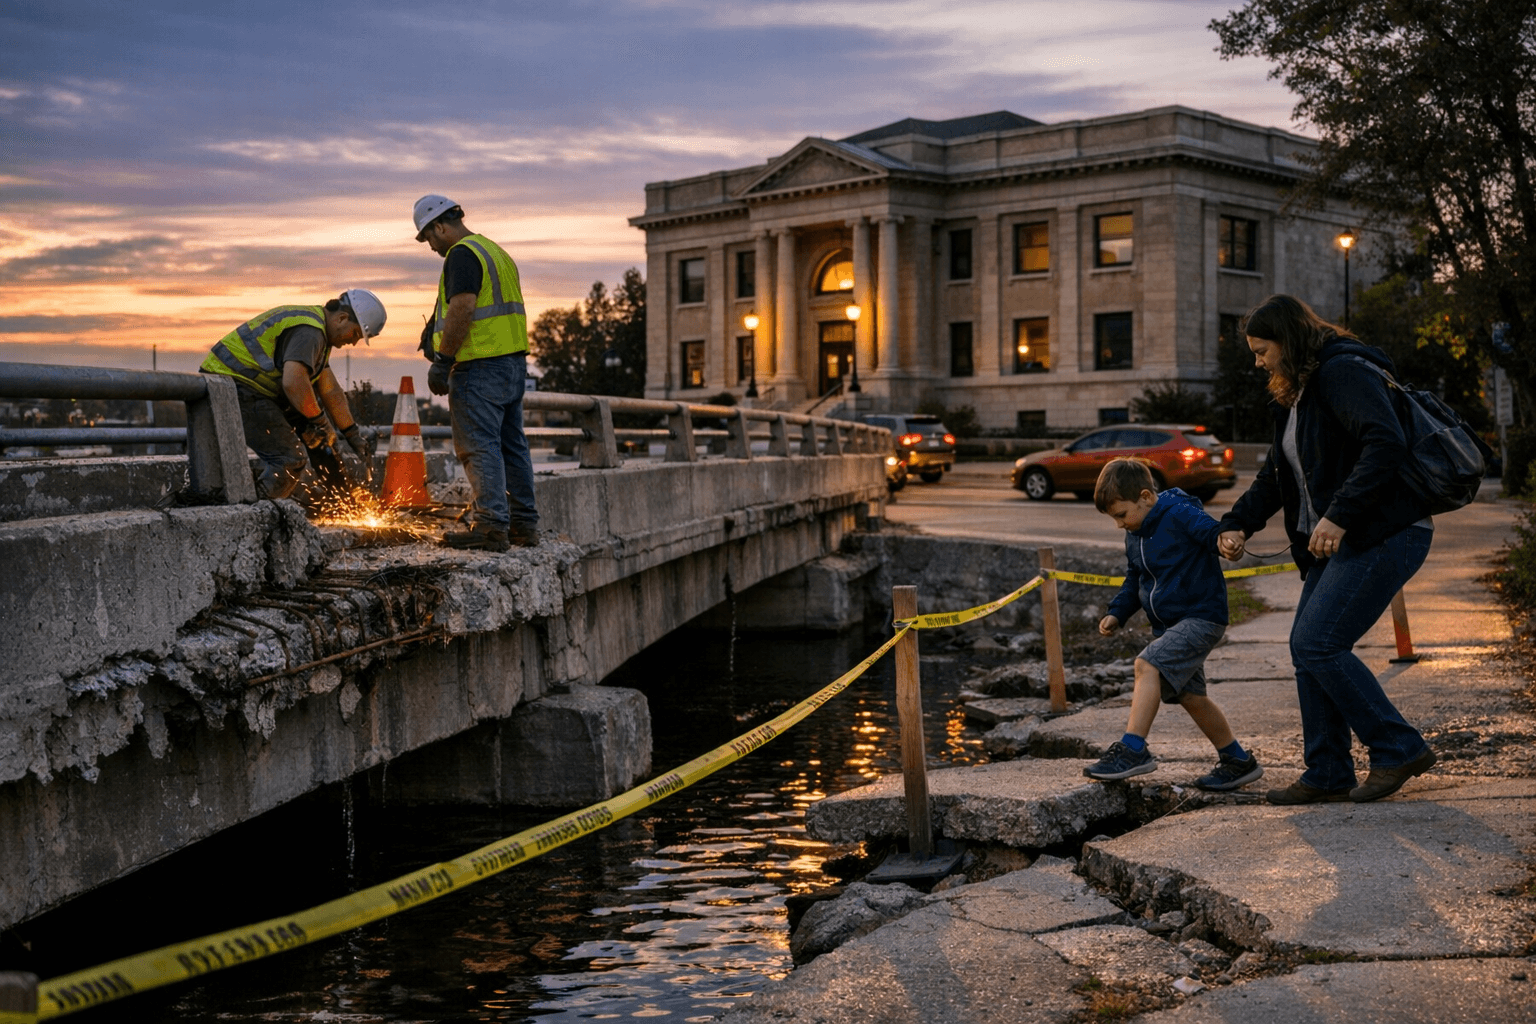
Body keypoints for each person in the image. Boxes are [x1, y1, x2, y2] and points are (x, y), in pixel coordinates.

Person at [1216, 294, 1437, 804]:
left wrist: (1339, 515)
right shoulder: (1295, 393)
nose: (1258, 362)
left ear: (1288, 342)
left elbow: (1386, 443)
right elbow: (1277, 475)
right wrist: (1236, 525)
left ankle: (1397, 747)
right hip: (1333, 543)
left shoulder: (1342, 373)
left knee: (1318, 643)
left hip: (1386, 531)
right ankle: (1329, 771)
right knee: (1306, 649)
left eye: (1261, 350)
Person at [1084, 457, 1265, 792]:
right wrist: (1117, 612)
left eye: (1122, 515)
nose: (1120, 525)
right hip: (1171, 627)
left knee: (1146, 664)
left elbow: (1211, 533)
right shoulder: (1135, 534)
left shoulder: (1178, 513)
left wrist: (1227, 542)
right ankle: (1238, 761)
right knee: (1191, 696)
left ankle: (1133, 749)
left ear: (1146, 497)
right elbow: (1135, 577)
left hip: (1201, 616)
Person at [412, 194, 538, 552]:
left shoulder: (462, 254)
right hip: (511, 364)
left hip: (479, 365)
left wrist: (443, 359)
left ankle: (491, 526)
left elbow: (464, 306)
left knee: (479, 446)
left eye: (429, 238)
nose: (431, 246)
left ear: (440, 226)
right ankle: (524, 525)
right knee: (512, 446)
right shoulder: (494, 251)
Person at [200, 291, 385, 499]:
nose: (353, 343)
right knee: (289, 458)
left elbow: (330, 390)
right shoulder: (310, 332)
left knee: (324, 445)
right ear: (342, 318)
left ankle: (342, 502)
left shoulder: (319, 334)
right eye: (355, 334)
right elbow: (294, 383)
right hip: (230, 387)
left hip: (252, 388)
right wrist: (321, 422)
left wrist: (352, 435)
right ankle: (255, 511)